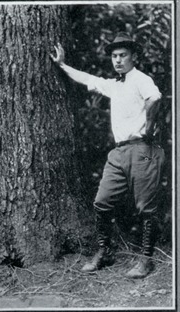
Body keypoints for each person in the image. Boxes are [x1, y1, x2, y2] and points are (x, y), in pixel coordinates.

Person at [50, 32, 164, 278]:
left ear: (134, 56)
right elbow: (88, 79)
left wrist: (149, 128)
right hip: (119, 151)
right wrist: (61, 65)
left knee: (146, 207)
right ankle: (104, 251)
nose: (118, 60)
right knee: (102, 201)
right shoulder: (116, 84)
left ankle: (146, 259)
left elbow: (154, 98)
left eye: (123, 55)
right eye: (114, 56)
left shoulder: (140, 79)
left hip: (142, 148)